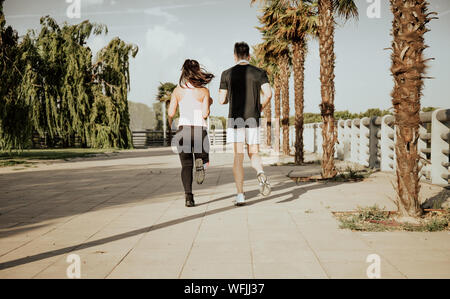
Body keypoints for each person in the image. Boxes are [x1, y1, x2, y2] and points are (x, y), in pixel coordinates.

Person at [218, 42, 273, 206]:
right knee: (254, 153)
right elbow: (269, 94)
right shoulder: (259, 73)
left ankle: (240, 195)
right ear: (249, 56)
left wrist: (228, 97)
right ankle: (260, 172)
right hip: (253, 119)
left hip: (235, 120)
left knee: (238, 157)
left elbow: (222, 100)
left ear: (235, 56)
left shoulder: (227, 74)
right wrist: (260, 107)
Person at [168, 59, 214, 207]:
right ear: (198, 71)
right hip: (199, 129)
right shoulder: (203, 91)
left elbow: (171, 112)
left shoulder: (177, 90)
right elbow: (205, 114)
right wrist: (209, 102)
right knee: (203, 157)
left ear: (184, 72)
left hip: (183, 130)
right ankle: (201, 162)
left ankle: (189, 197)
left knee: (186, 166)